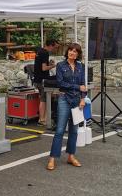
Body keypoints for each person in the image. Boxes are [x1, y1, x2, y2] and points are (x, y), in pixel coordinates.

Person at [47, 43, 86, 171]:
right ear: (67, 52)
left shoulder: (81, 66)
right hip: (64, 99)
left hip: (76, 101)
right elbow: (61, 83)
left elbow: (83, 84)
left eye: (75, 51)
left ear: (78, 54)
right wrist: (77, 87)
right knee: (59, 130)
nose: (72, 53)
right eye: (70, 50)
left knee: (74, 131)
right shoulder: (60, 65)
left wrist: (82, 99)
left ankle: (71, 156)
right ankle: (52, 158)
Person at [33, 38, 59, 126]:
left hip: (37, 79)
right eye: (55, 47)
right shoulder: (45, 53)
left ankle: (44, 117)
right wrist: (54, 66)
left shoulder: (40, 51)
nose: (55, 49)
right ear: (51, 45)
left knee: (44, 98)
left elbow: (41, 65)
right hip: (42, 80)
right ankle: (42, 120)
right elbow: (44, 68)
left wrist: (49, 64)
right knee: (44, 99)